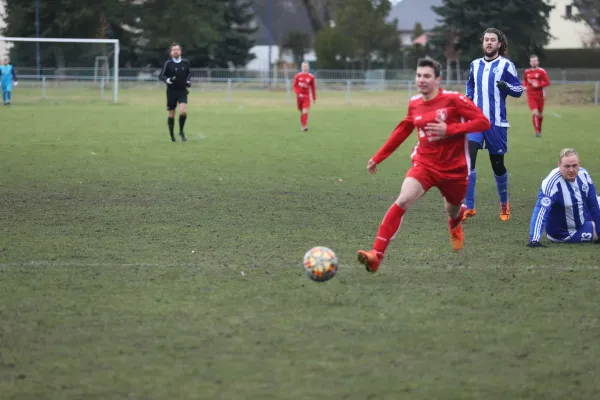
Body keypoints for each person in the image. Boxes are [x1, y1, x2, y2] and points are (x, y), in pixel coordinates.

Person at [356, 58, 491, 273]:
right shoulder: (414, 103)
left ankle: (455, 221)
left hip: (454, 169)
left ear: (438, 79)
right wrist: (379, 156)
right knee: (403, 199)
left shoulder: (454, 100)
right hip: (424, 164)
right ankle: (376, 255)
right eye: (419, 75)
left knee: (452, 208)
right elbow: (403, 130)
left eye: (427, 76)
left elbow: (483, 122)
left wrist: (450, 129)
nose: (422, 80)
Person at [464, 28, 523, 221]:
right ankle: (469, 206)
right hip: (475, 123)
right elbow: (470, 83)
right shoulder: (474, 65)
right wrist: (468, 98)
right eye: (486, 40)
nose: (489, 43)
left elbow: (518, 89)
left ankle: (504, 203)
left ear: (499, 44)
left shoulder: (506, 65)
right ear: (483, 43)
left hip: (496, 124)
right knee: (468, 161)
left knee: (497, 165)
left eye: (493, 40)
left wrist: (506, 87)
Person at [528, 148, 600, 246]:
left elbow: (593, 204)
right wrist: (534, 240)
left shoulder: (584, 175)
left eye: (574, 165)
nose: (571, 170)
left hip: (581, 216)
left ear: (579, 164)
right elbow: (541, 211)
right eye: (567, 166)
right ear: (559, 165)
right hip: (565, 233)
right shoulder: (551, 183)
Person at [159, 43, 191, 142]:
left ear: (180, 51)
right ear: (171, 52)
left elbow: (188, 74)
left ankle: (181, 132)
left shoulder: (185, 63)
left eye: (177, 49)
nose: (176, 51)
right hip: (171, 92)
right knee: (172, 115)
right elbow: (161, 76)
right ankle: (172, 136)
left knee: (183, 111)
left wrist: (188, 81)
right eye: (174, 50)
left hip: (182, 91)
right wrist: (167, 80)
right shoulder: (168, 63)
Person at [522, 54, 550, 137]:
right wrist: (524, 86)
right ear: (530, 62)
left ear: (538, 62)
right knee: (535, 113)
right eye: (532, 61)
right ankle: (537, 132)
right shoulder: (527, 72)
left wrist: (538, 85)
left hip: (540, 96)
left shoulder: (542, 71)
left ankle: (539, 127)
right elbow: (525, 81)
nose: (533, 62)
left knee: (540, 115)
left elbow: (547, 82)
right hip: (531, 96)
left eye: (535, 61)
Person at [293, 61, 316, 131]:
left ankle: (304, 126)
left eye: (306, 66)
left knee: (305, 111)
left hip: (306, 96)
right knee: (301, 112)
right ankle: (303, 125)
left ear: (308, 67)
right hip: (299, 97)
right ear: (301, 67)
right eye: (303, 66)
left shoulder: (311, 77)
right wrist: (298, 93)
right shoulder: (298, 76)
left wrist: (314, 98)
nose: (305, 68)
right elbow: (294, 86)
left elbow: (313, 88)